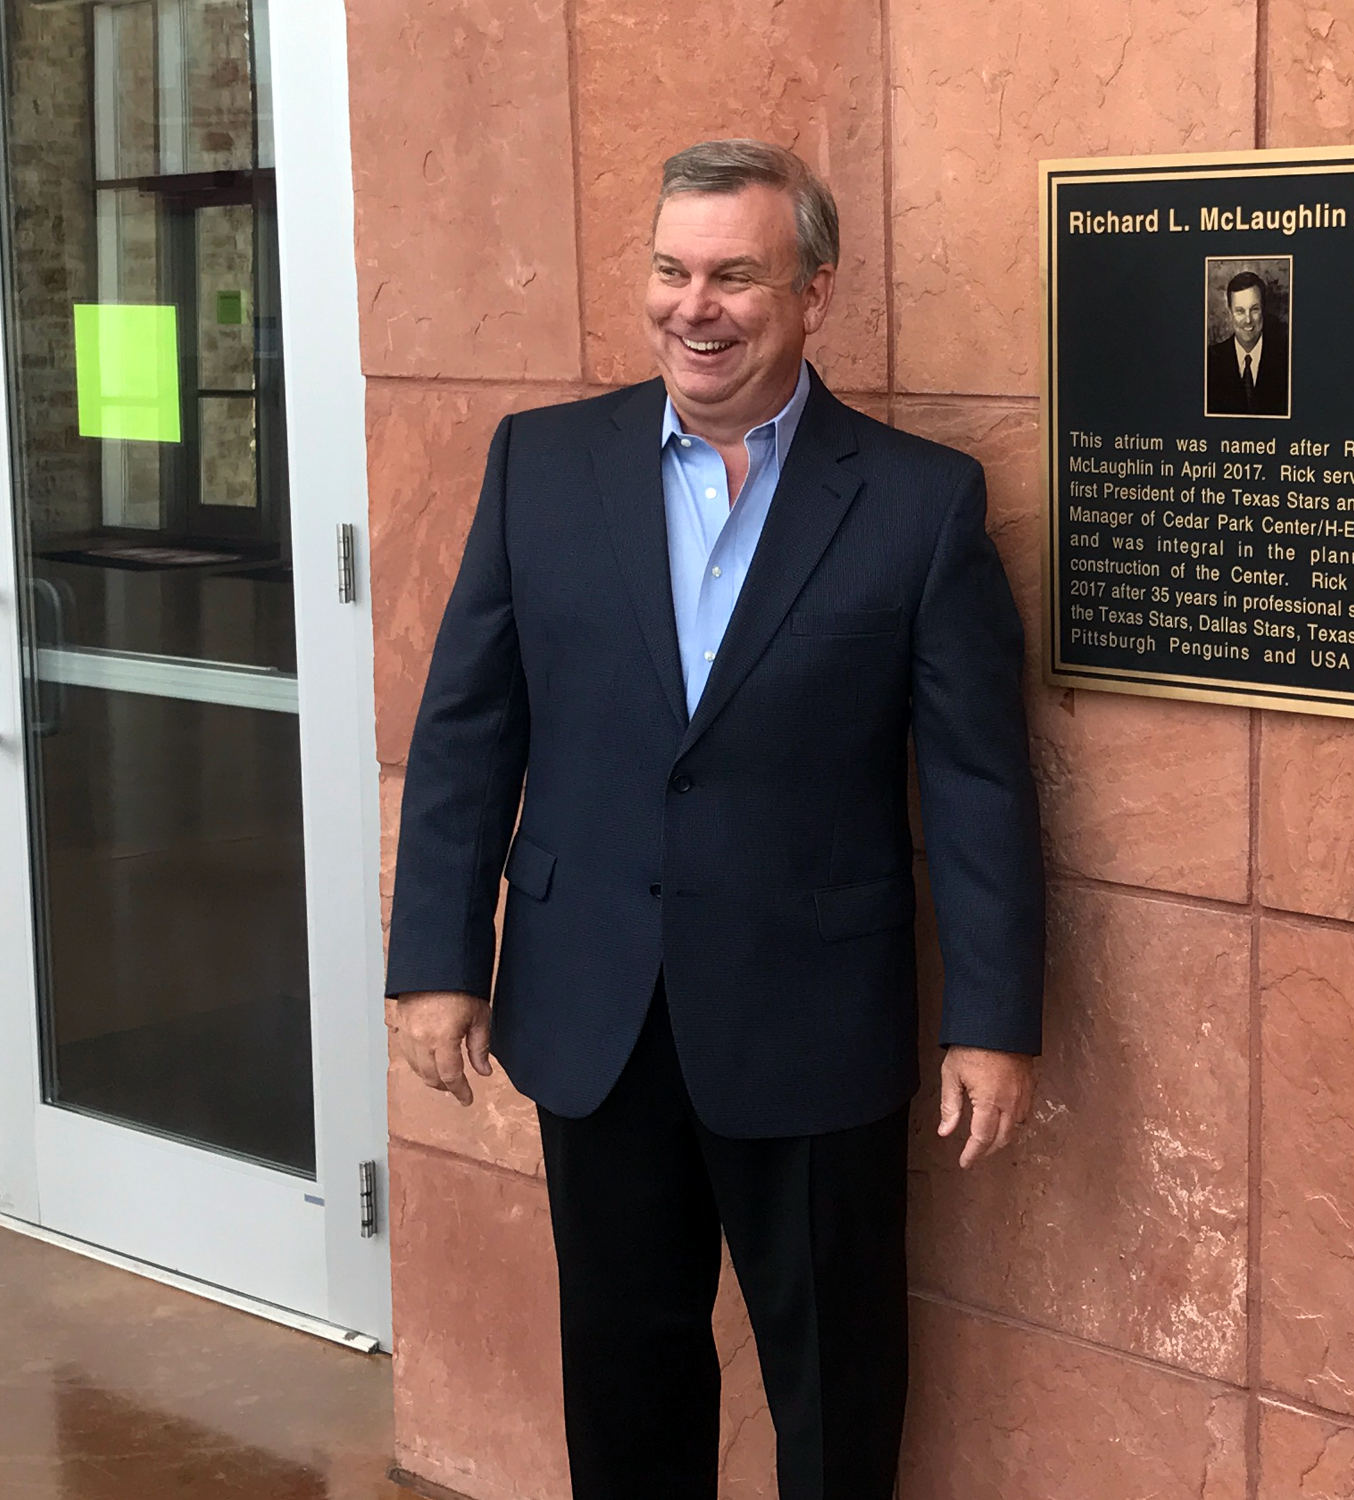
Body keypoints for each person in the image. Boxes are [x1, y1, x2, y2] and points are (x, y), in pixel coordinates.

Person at [382, 139, 1045, 1500]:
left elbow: (978, 779)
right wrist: (439, 962)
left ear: (816, 290)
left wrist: (990, 1017)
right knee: (623, 1378)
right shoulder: (543, 467)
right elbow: (467, 728)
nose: (697, 306)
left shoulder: (921, 504)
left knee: (838, 1391)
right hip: (593, 1014)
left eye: (737, 274)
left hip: (811, 1021)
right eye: (673, 270)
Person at [1205, 268, 1289, 416]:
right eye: (1240, 311)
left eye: (1254, 309)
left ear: (1263, 309)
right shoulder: (1210, 360)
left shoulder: (1286, 357)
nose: (1248, 320)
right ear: (1230, 313)